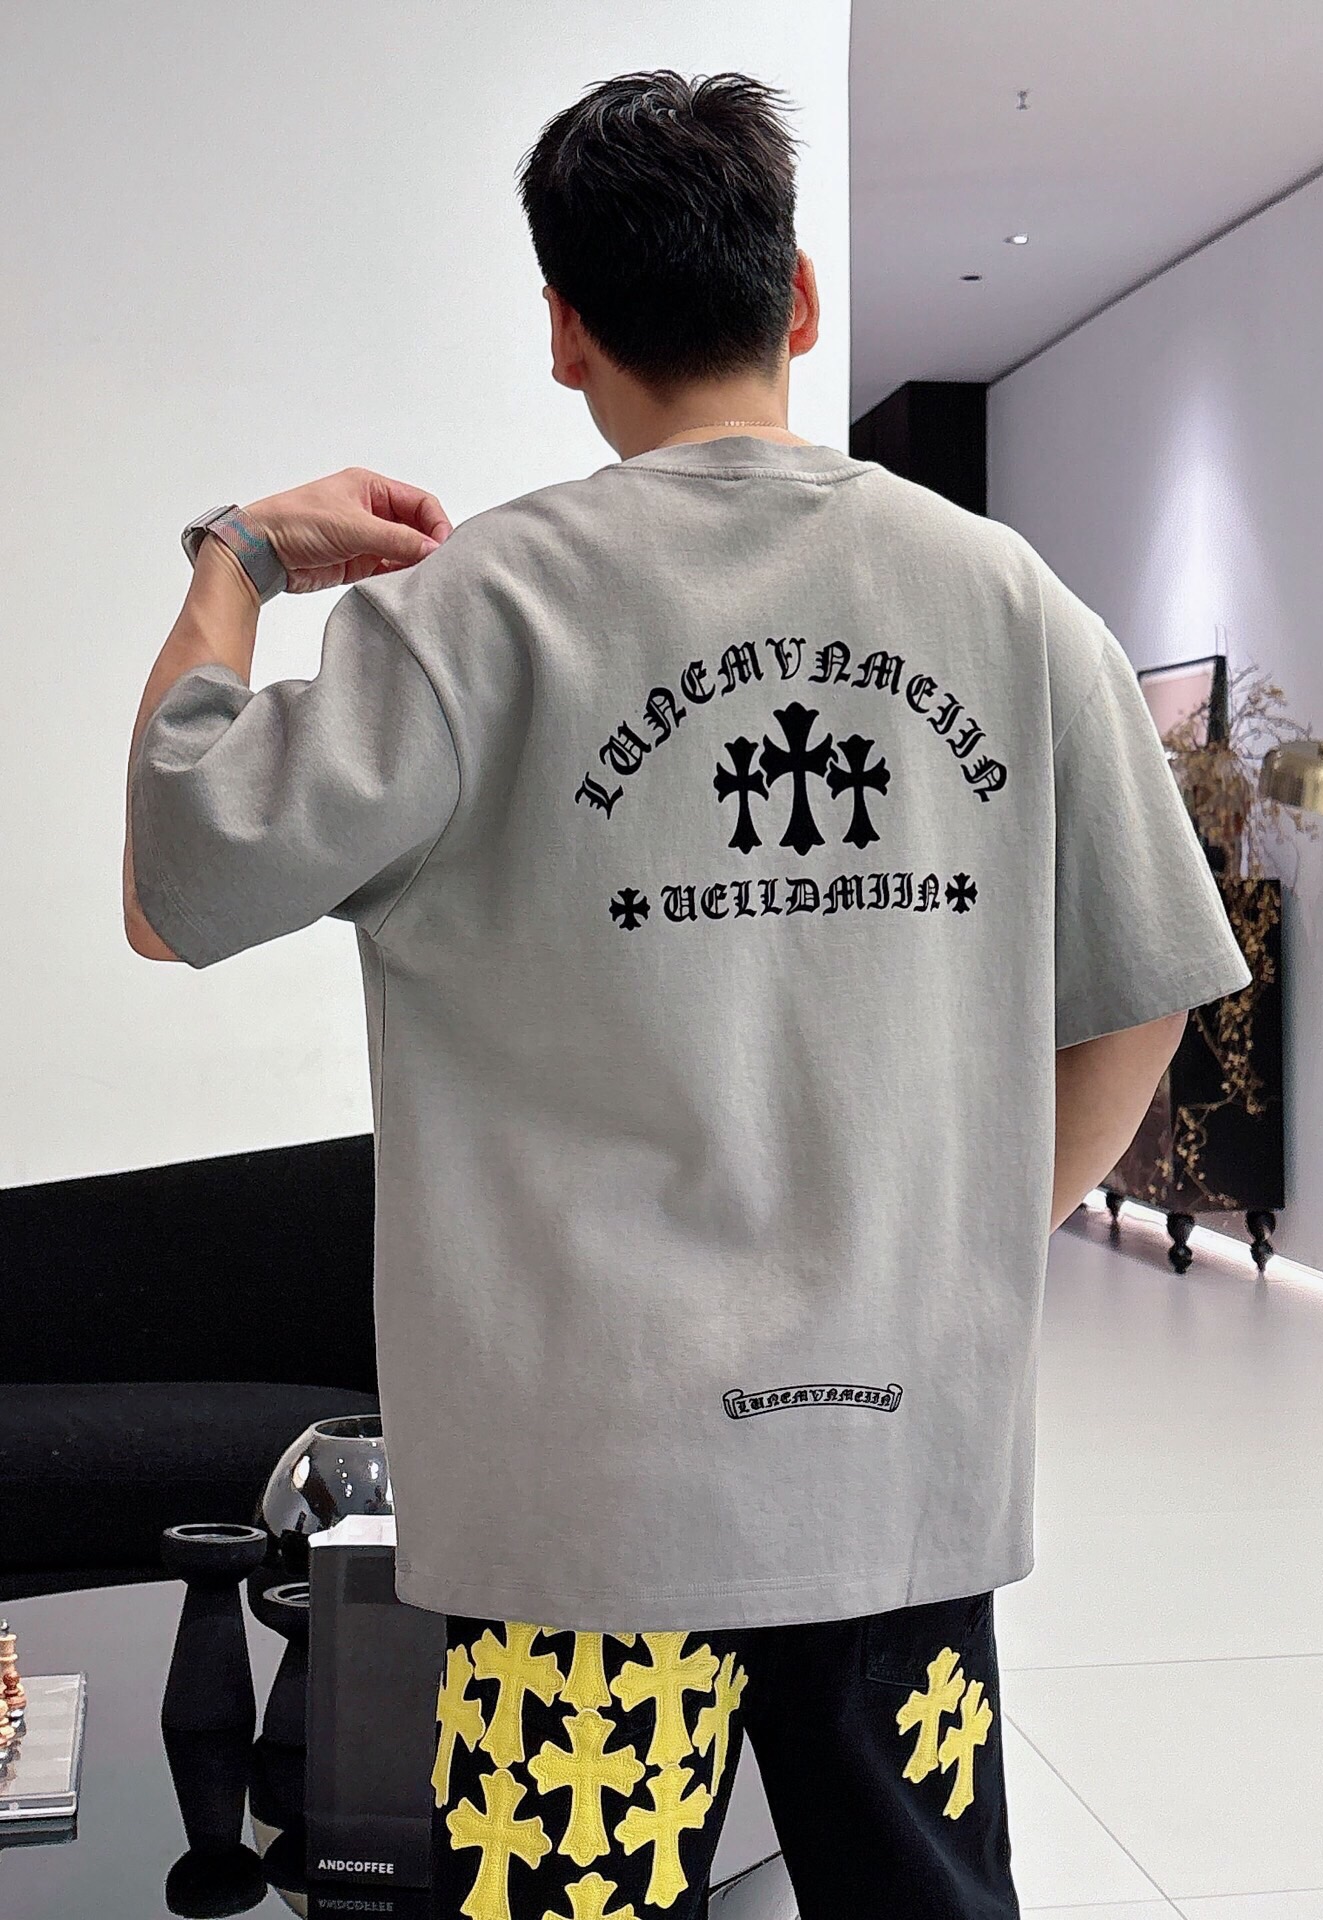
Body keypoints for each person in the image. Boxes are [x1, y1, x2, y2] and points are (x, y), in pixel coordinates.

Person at [124, 66, 1252, 1920]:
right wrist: (974, 1233)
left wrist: (238, 559)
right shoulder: (1008, 601)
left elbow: (175, 893)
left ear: (566, 330)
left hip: (584, 1516)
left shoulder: (471, 616)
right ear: (797, 296)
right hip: (896, 1470)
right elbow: (1148, 992)